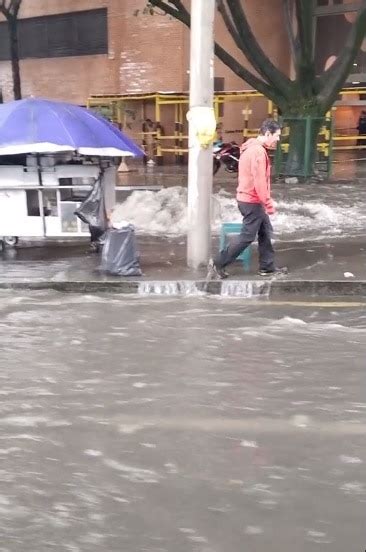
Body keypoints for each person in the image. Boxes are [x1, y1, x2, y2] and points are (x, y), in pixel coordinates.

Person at [208, 118, 287, 279]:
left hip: (248, 198)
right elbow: (259, 181)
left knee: (265, 231)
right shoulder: (258, 152)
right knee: (247, 236)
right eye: (277, 135)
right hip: (252, 201)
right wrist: (268, 203)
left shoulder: (251, 148)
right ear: (267, 133)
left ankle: (267, 267)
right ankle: (218, 263)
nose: (278, 139)